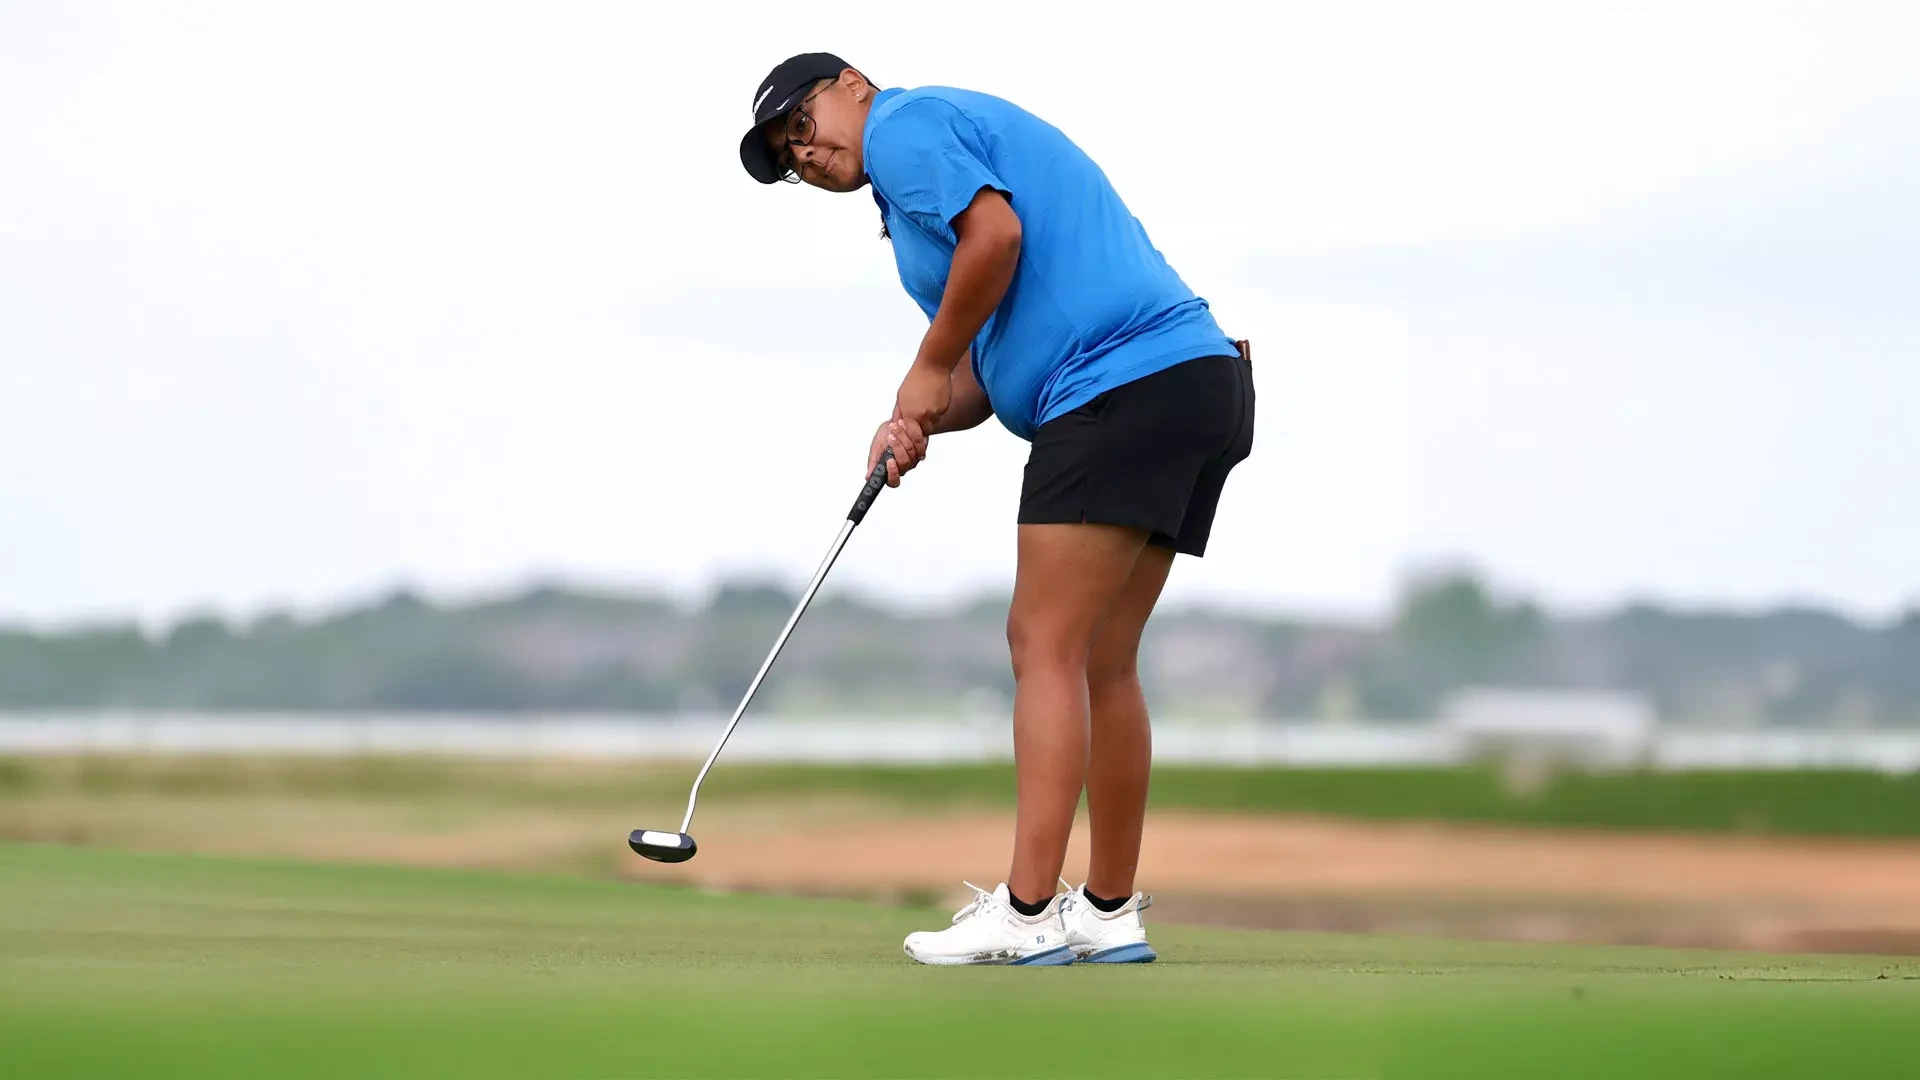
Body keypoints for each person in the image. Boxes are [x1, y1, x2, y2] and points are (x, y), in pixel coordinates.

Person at [738, 53, 1255, 965]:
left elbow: (997, 240)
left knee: (1041, 643)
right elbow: (986, 359)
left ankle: (1024, 916)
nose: (803, 156)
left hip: (1119, 384)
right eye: (787, 157)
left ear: (851, 83)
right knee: (1101, 658)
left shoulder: (902, 126)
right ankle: (1107, 909)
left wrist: (929, 365)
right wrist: (919, 416)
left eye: (802, 126)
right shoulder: (906, 204)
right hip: (1194, 383)